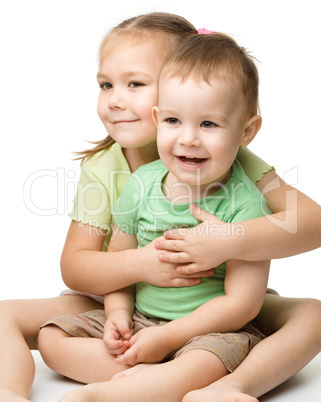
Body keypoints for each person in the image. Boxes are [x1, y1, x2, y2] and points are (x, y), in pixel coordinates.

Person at [0, 12, 320, 402]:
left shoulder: (231, 156)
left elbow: (311, 223)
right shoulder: (105, 168)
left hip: (214, 298)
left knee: (313, 315)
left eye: (135, 83)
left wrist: (225, 241)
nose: (116, 99)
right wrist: (143, 266)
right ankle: (9, 392)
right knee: (15, 319)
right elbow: (75, 267)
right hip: (127, 297)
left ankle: (222, 382)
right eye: (106, 85)